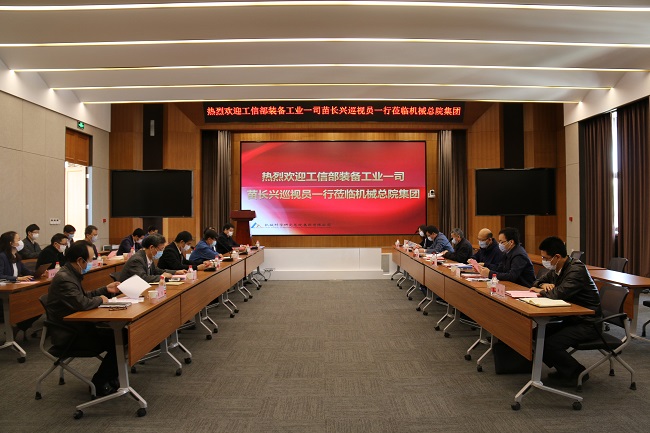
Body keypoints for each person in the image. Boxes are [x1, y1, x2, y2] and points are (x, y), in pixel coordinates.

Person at [44, 240, 121, 396]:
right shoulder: (65, 278)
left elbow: (83, 296)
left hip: (79, 327)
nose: (92, 263)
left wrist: (105, 290)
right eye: (91, 259)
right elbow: (82, 303)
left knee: (122, 336)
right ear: (80, 260)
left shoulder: (71, 273)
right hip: (70, 334)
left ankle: (109, 378)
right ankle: (99, 382)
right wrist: (101, 299)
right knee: (120, 339)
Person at [529, 236, 602, 387]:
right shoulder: (557, 269)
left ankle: (577, 373)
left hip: (588, 323)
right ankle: (564, 370)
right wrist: (542, 286)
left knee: (550, 343)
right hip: (572, 319)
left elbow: (557, 294)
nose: (543, 261)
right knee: (535, 335)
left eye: (545, 258)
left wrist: (539, 290)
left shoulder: (576, 269)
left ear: (557, 257)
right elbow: (537, 281)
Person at [0, 231, 37, 330]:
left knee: (35, 303)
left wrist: (39, 273)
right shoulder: (2, 256)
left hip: (16, 287)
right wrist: (17, 278)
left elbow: (26, 271)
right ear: (11, 243)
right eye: (18, 239)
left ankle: (19, 327)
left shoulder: (16, 256)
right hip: (6, 290)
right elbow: (0, 275)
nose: (21, 242)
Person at [117, 233, 185, 283]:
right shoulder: (137, 259)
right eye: (161, 249)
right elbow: (143, 278)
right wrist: (162, 277)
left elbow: (156, 271)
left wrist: (175, 272)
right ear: (152, 247)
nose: (162, 252)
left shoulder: (148, 257)